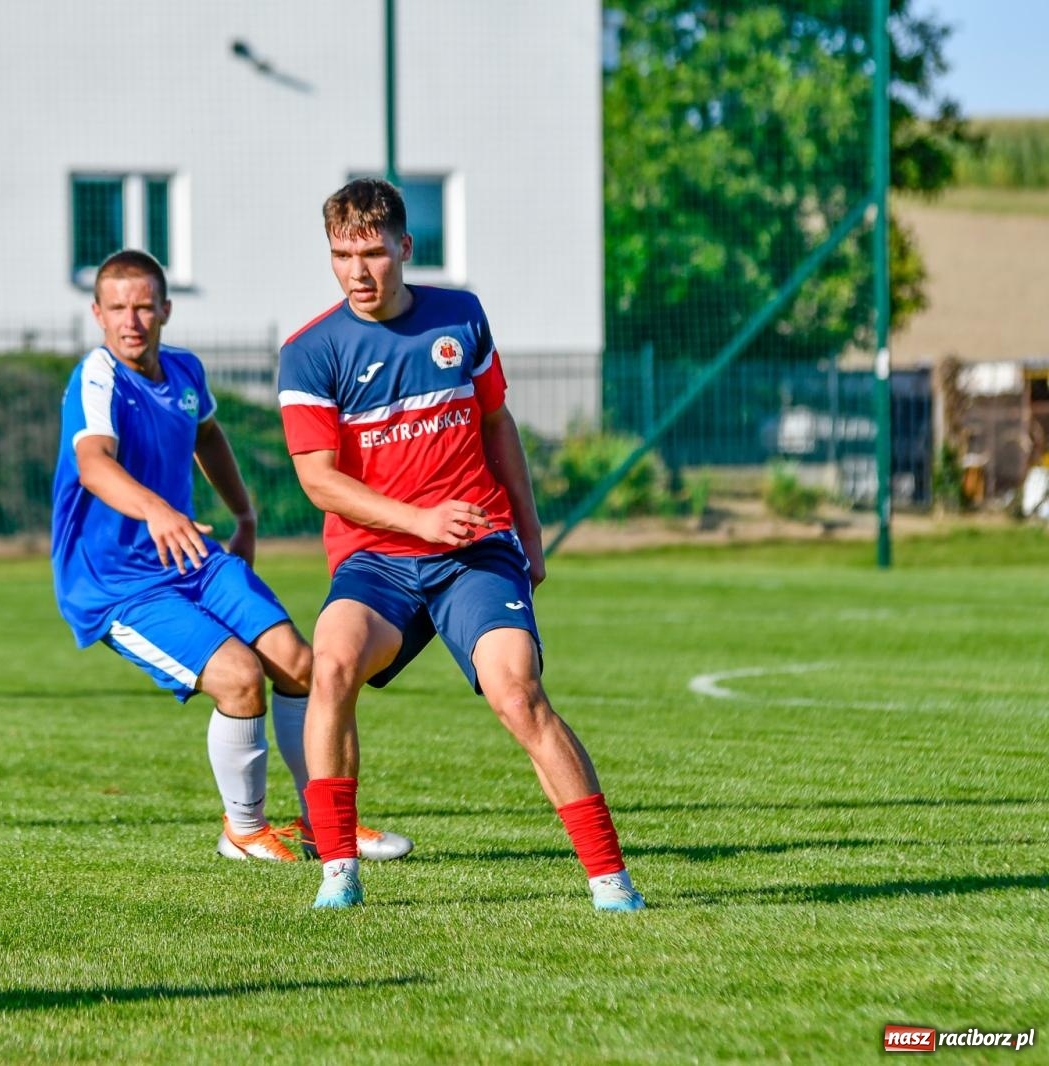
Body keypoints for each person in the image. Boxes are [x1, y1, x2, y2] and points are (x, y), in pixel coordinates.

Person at [277, 178, 645, 911]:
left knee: (517, 692)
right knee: (333, 664)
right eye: (342, 254)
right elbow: (319, 482)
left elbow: (498, 424)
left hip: (475, 553)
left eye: (374, 253)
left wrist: (530, 533)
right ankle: (339, 872)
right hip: (377, 561)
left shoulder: (460, 317)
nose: (358, 270)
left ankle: (611, 881)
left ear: (405, 248)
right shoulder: (309, 351)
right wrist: (416, 522)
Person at [51, 248, 411, 862]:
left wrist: (243, 514)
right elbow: (93, 465)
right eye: (117, 309)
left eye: (143, 307)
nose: (131, 321)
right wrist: (159, 510)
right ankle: (243, 832)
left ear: (165, 309)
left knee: (302, 665)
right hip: (117, 583)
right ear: (97, 314)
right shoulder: (98, 375)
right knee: (240, 679)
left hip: (193, 558)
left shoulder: (186, 372)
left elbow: (208, 435)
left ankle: (326, 822)